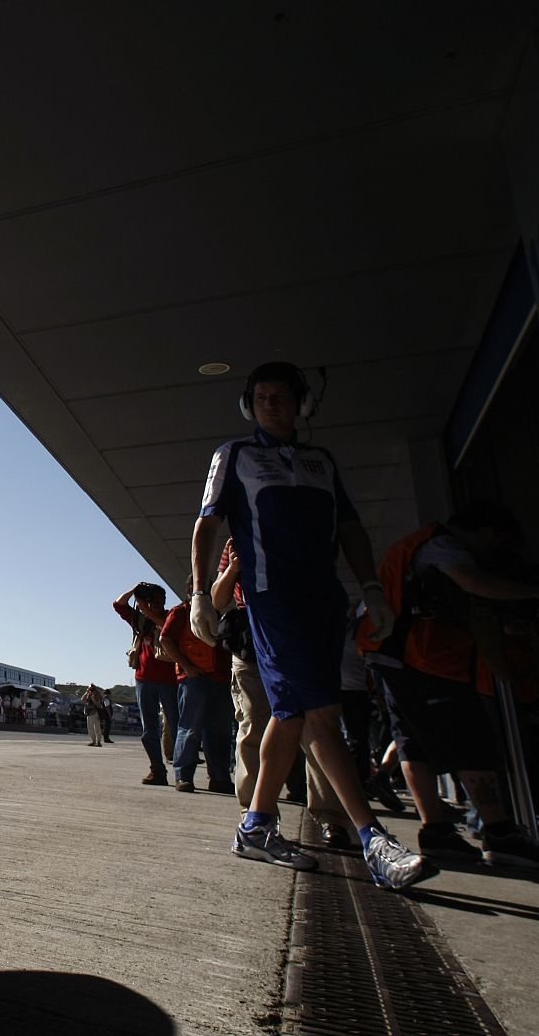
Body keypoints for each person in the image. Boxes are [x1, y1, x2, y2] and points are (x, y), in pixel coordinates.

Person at [189, 362, 431, 890]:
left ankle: (256, 827)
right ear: (248, 405)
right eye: (260, 397)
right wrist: (200, 595)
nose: (270, 405)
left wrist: (371, 587)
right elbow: (208, 523)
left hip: (325, 601)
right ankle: (373, 840)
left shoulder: (322, 461)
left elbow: (350, 527)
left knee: (291, 713)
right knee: (322, 714)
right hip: (272, 601)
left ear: (302, 404)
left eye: (280, 396)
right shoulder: (234, 455)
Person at [360, 501, 539, 868]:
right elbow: (474, 583)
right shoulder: (443, 546)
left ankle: (437, 831)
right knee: (468, 737)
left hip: (394, 655)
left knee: (412, 742)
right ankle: (499, 830)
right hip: (427, 658)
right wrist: (530, 591)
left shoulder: (416, 544)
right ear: (486, 530)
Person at [213, 541, 354, 847]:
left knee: (315, 727)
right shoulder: (237, 540)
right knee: (253, 725)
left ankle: (332, 817)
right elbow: (219, 598)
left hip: (300, 640)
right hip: (252, 647)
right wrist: (234, 568)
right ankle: (254, 814)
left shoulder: (304, 531)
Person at [158, 581, 234, 792]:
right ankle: (183, 776)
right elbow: (165, 639)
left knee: (220, 731)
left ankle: (219, 778)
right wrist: (187, 666)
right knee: (190, 728)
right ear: (189, 590)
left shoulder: (217, 611)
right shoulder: (181, 612)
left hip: (220, 677)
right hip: (195, 678)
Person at [115, 583, 176, 784]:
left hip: (169, 680)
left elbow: (165, 625)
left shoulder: (171, 616)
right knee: (149, 728)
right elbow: (118, 604)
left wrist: (145, 608)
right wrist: (134, 590)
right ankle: (157, 770)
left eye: (159, 600)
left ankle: (182, 773)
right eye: (152, 600)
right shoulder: (141, 620)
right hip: (144, 679)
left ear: (164, 601)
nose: (156, 604)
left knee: (176, 726)